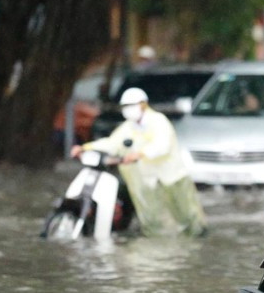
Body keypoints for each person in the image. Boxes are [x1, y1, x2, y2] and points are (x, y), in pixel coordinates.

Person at [71, 87, 207, 237]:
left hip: (172, 178)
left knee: (187, 216)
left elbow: (162, 145)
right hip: (148, 181)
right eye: (125, 107)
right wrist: (85, 147)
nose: (127, 110)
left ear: (142, 105)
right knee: (154, 221)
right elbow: (113, 143)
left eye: (130, 106)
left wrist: (140, 154)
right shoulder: (128, 127)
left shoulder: (158, 121)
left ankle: (196, 240)